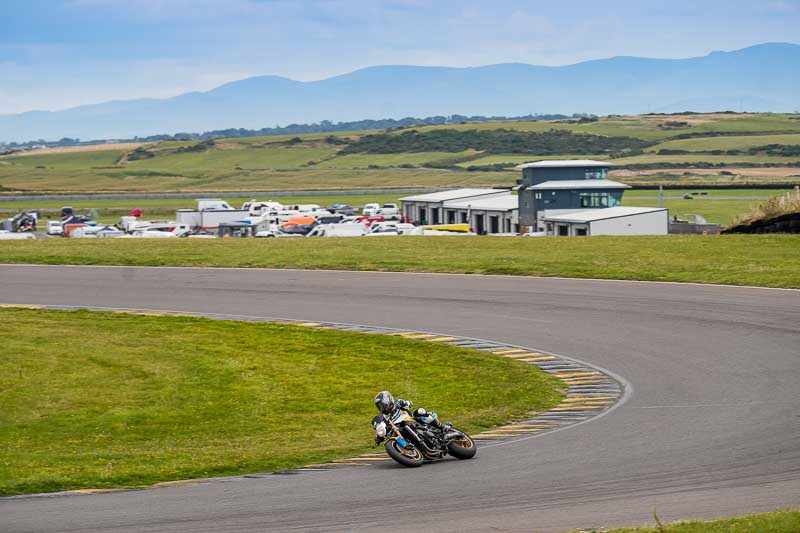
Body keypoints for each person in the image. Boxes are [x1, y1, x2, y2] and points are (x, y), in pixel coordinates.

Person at [373, 390, 449, 434]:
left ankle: (441, 426)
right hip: (401, 430)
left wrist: (404, 403)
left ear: (388, 400)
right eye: (379, 406)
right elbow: (381, 428)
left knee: (419, 412)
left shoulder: (397, 403)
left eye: (383, 405)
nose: (382, 407)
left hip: (412, 421)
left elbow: (409, 404)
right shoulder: (383, 417)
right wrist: (379, 436)